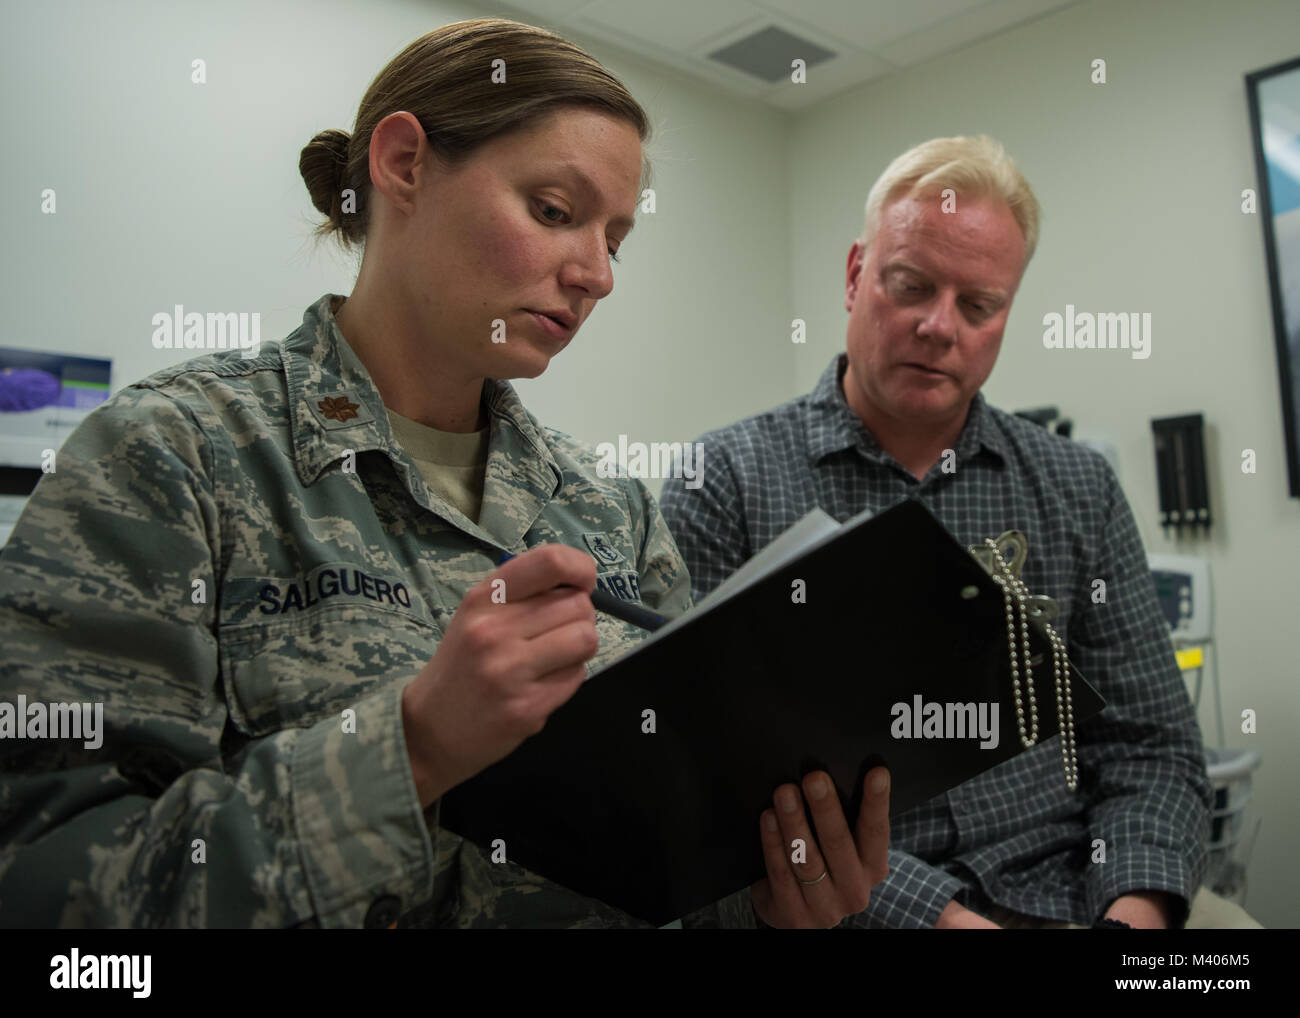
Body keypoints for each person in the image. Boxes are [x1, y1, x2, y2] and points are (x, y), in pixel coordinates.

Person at [0, 18, 889, 929]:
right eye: (553, 210)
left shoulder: (612, 511)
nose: (596, 275)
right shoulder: (169, 456)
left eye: (614, 239)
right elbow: (46, 893)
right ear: (404, 164)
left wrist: (772, 906)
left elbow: (669, 871)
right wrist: (411, 747)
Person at [659, 134, 1261, 929]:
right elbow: (711, 779)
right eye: (910, 287)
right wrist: (940, 920)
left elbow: (1151, 747)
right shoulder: (725, 480)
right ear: (853, 276)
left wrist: (1131, 915)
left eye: (979, 306)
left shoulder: (1077, 486)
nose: (940, 327)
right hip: (848, 907)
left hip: (1073, 888)